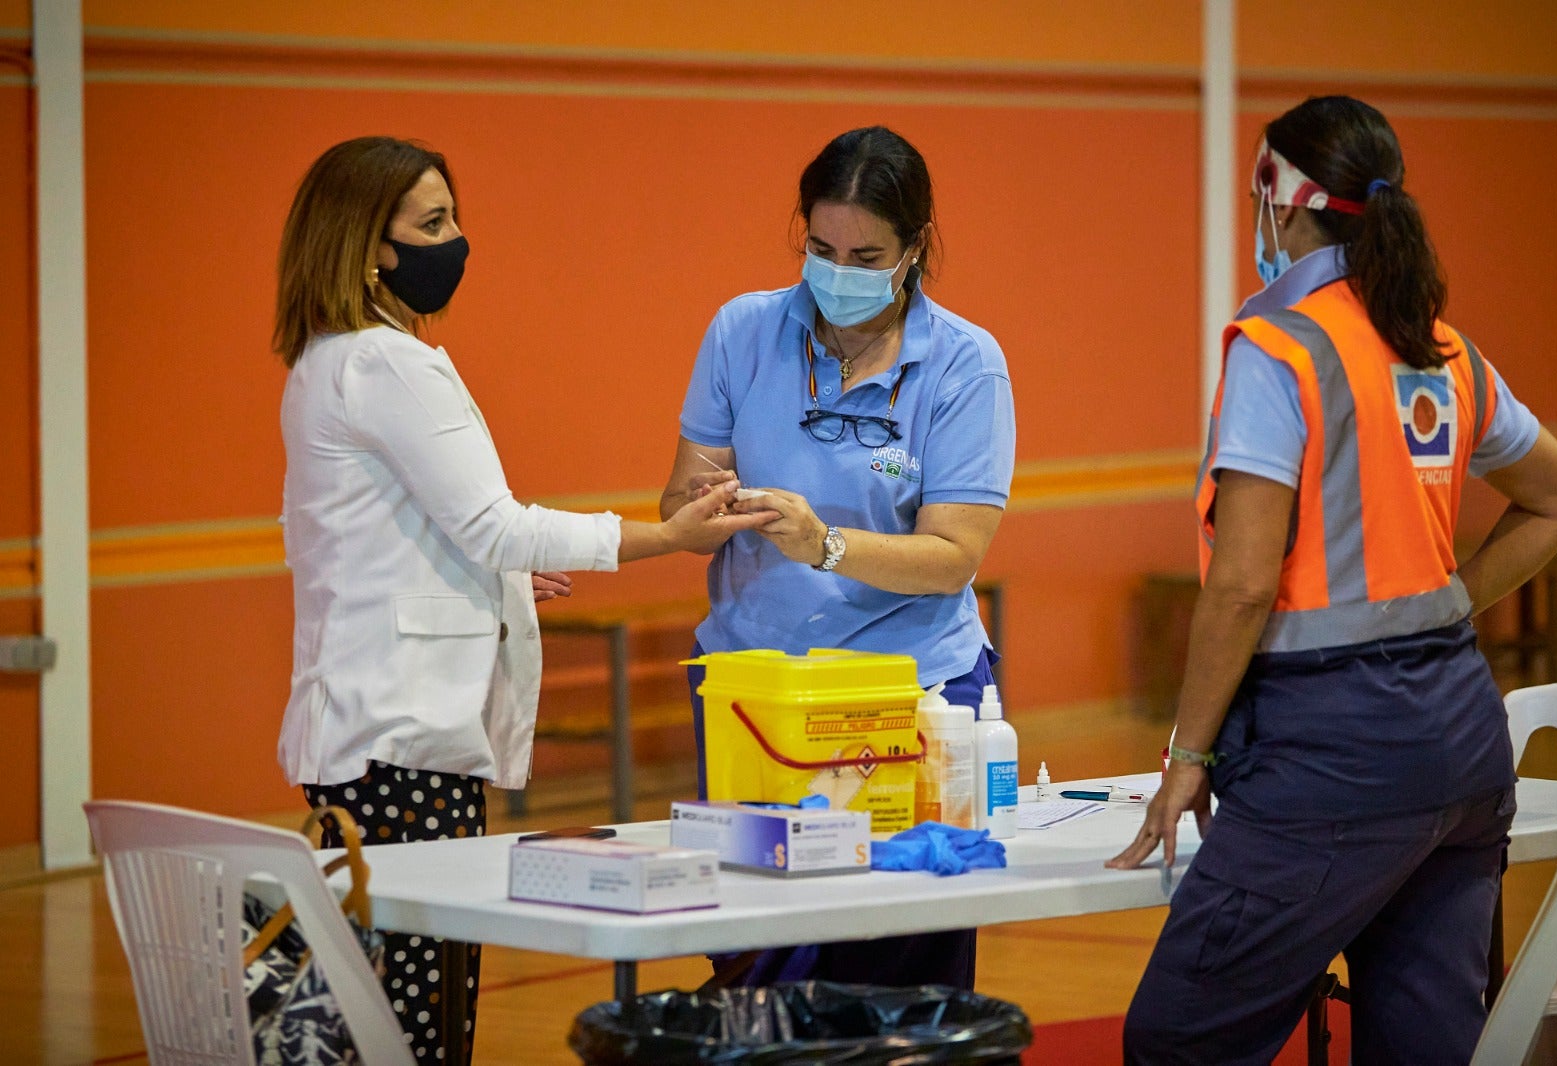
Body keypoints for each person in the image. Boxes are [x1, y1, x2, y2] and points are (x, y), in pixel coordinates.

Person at [1108, 96, 1557, 1064]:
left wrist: (1186, 757)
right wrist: (1450, 602)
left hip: (1334, 758)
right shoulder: (1438, 345)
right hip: (1462, 745)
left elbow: (1242, 584)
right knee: (1422, 1046)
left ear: (1283, 203)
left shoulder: (1279, 346)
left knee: (1177, 1041)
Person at [272, 136, 775, 1061]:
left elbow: (368, 536)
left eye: (455, 216)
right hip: (403, 739)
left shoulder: (323, 361)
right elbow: (495, 524)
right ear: (365, 245)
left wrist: (491, 578)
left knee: (383, 993)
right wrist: (665, 535)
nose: (456, 240)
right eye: (432, 224)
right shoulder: (390, 364)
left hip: (360, 729)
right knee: (416, 1013)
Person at [660, 125, 1016, 989]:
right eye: (821, 248)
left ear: (915, 249)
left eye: (866, 254)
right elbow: (678, 500)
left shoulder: (966, 365)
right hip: (754, 695)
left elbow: (953, 556)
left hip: (910, 699)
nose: (838, 272)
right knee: (756, 958)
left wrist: (825, 544)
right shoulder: (742, 331)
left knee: (897, 963)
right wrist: (707, 513)